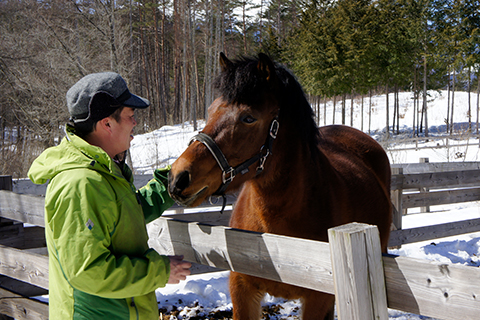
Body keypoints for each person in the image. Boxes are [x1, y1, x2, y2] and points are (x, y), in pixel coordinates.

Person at [28, 72, 191, 319]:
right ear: (107, 124)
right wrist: (160, 272)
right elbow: (88, 271)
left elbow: (125, 215)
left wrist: (175, 178)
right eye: (130, 115)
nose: (135, 122)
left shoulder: (103, 173)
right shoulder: (80, 184)